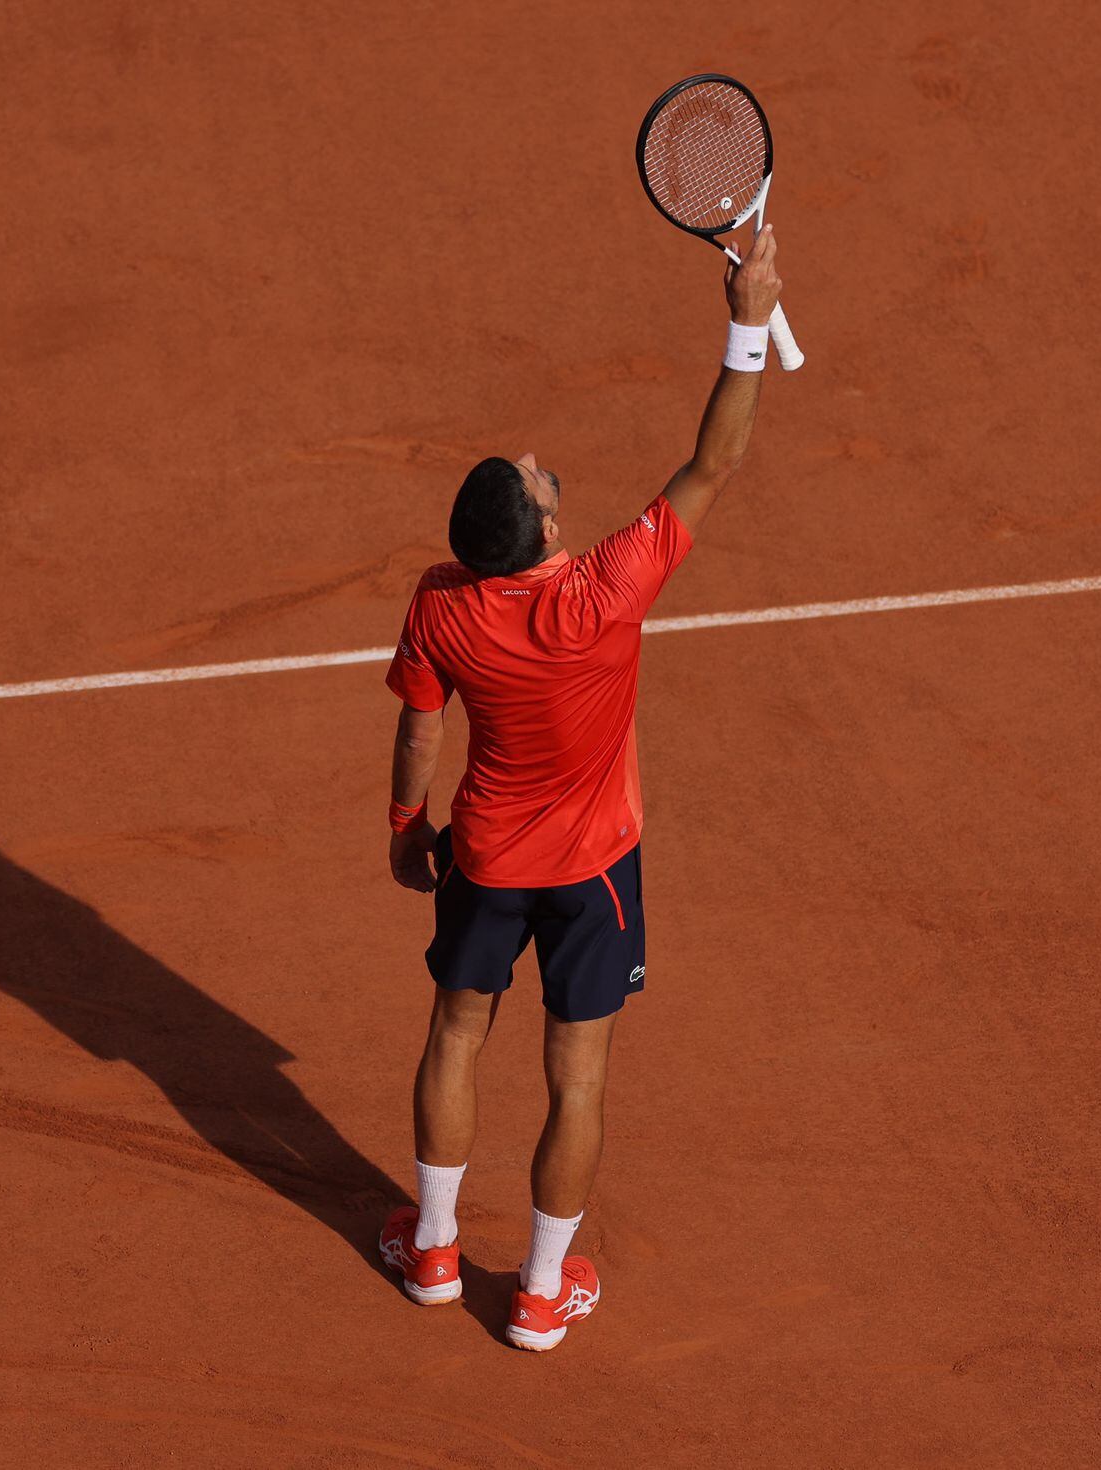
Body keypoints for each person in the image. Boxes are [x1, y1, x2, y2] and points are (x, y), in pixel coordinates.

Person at [376, 225, 784, 1351]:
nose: (535, 455)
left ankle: (437, 1254)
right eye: (531, 473)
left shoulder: (441, 602)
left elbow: (419, 732)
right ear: (548, 527)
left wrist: (411, 832)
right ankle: (543, 1295)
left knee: (456, 1034)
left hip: (486, 859)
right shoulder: (607, 589)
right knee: (578, 1075)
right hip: (595, 872)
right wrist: (746, 318)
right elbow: (713, 463)